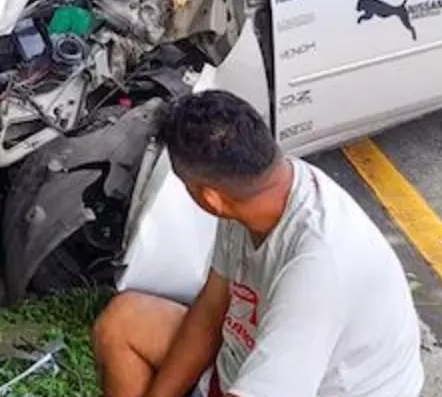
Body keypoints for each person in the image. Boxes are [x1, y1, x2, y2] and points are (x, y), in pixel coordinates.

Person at [92, 91, 424, 397]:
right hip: (248, 356)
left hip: (324, 387)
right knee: (123, 322)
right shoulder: (254, 193)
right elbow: (210, 311)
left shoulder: (318, 268)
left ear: (210, 198)